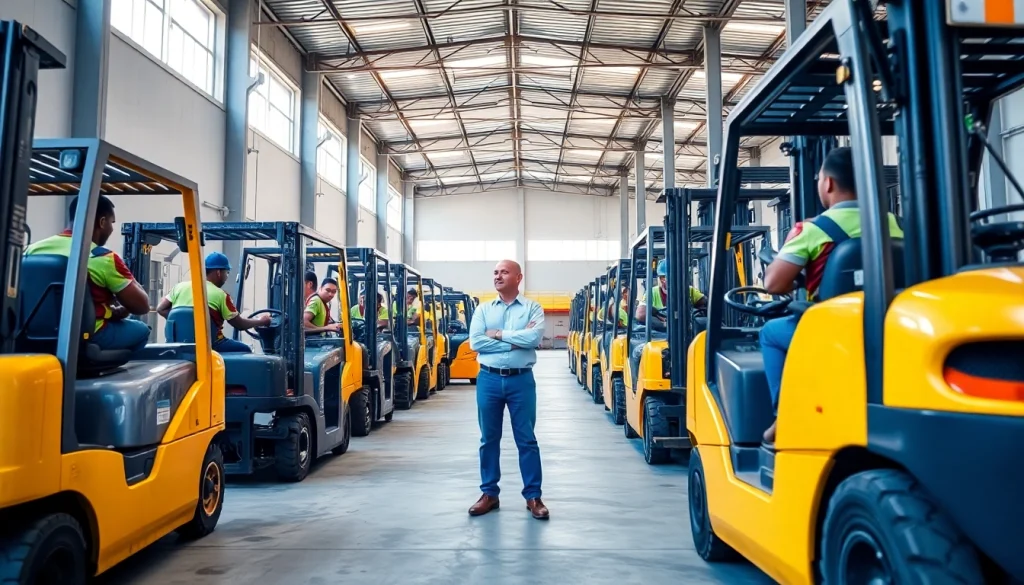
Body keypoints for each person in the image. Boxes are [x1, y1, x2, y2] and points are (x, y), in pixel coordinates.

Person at [759, 146, 904, 444]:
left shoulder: (813, 230)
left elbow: (773, 284)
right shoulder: (894, 223)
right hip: (890, 323)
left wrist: (792, 242)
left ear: (828, 183)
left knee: (771, 332)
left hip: (832, 330)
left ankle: (783, 415)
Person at [467, 259, 548, 520]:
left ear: (518, 277)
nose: (498, 276)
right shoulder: (483, 309)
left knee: (527, 439)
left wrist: (499, 334)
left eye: (504, 271)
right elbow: (476, 343)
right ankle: (489, 494)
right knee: (488, 439)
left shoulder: (532, 308)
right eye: (495, 272)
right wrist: (515, 341)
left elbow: (534, 338)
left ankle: (533, 496)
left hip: (521, 380)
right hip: (488, 380)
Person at [25, 195, 151, 352]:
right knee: (142, 330)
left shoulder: (32, 250)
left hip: (32, 333)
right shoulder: (101, 257)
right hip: (86, 336)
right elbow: (141, 306)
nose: (112, 228)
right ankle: (106, 370)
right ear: (102, 222)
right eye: (112, 223)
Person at [155, 251, 271, 352]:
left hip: (178, 342)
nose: (226, 276)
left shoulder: (179, 287)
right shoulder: (221, 295)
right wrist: (261, 321)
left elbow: (161, 309)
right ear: (219, 272)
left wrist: (184, 323)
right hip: (211, 345)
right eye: (227, 272)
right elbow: (239, 324)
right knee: (245, 349)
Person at [635, 258, 706, 324]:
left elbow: (707, 306)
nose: (663, 280)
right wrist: (663, 324)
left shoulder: (689, 290)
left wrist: (695, 314)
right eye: (662, 277)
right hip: (660, 334)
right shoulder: (652, 293)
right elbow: (640, 314)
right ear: (661, 278)